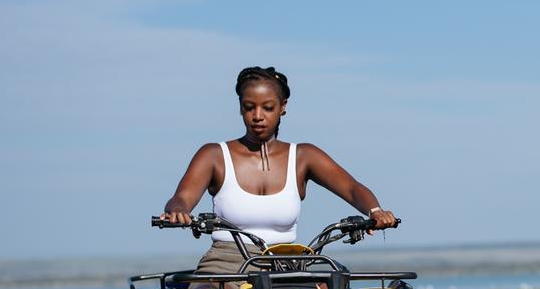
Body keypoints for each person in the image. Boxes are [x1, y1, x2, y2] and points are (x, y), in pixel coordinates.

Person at [160, 66, 398, 276]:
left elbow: (351, 187)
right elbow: (182, 198)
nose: (257, 116)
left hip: (289, 262)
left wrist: (375, 211)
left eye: (268, 108)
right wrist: (178, 211)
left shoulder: (304, 156)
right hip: (226, 263)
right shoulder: (213, 155)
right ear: (240, 108)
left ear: (282, 108)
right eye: (249, 107)